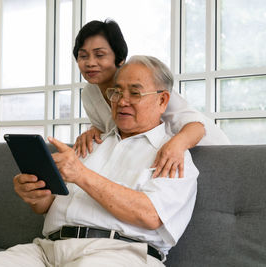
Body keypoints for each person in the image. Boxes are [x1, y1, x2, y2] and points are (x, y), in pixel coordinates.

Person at [0, 55, 199, 267]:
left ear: (162, 100)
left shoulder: (173, 155)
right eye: (117, 92)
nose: (122, 101)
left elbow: (150, 215)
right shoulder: (90, 144)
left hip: (119, 253)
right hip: (47, 250)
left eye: (135, 93)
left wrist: (81, 174)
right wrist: (36, 195)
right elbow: (47, 207)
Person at [73, 19, 230, 178]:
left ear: (120, 58)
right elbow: (112, 129)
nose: (90, 63)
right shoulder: (89, 94)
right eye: (83, 56)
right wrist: (93, 132)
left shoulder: (149, 84)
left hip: (207, 151)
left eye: (99, 55)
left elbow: (197, 126)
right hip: (158, 159)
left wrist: (176, 144)